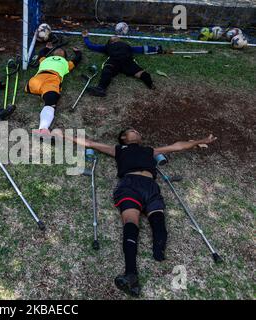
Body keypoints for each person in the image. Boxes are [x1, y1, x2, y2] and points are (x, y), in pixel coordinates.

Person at [52, 127, 217, 296]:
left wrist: (199, 141)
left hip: (151, 186)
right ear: (124, 137)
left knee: (159, 222)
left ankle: (158, 251)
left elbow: (177, 146)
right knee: (131, 223)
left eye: (139, 131)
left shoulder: (150, 150)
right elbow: (90, 143)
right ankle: (131, 274)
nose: (138, 132)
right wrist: (61, 135)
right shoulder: (118, 149)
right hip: (129, 185)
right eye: (133, 131)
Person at [82, 30, 166, 97]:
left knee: (143, 74)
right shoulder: (106, 47)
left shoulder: (126, 45)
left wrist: (156, 48)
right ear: (110, 41)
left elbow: (141, 49)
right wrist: (85, 37)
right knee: (107, 70)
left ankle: (151, 85)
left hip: (127, 61)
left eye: (116, 36)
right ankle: (101, 89)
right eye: (113, 36)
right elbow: (91, 46)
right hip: (114, 61)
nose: (116, 36)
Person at [25, 43, 82, 135]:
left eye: (62, 51)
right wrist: (46, 48)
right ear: (53, 53)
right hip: (37, 79)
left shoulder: (66, 63)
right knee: (37, 88)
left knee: (51, 100)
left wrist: (78, 52)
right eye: (58, 49)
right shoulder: (45, 59)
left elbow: (77, 60)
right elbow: (41, 54)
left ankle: (42, 129)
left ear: (64, 56)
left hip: (52, 80)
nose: (60, 50)